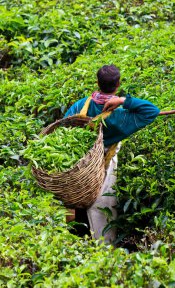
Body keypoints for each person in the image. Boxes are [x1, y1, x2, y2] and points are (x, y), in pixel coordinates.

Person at [64, 64, 160, 243]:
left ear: (97, 83)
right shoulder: (121, 116)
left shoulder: (81, 106)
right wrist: (123, 100)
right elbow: (152, 111)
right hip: (104, 166)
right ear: (118, 84)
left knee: (74, 202)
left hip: (78, 167)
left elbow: (63, 125)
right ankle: (105, 249)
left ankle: (74, 240)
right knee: (102, 206)